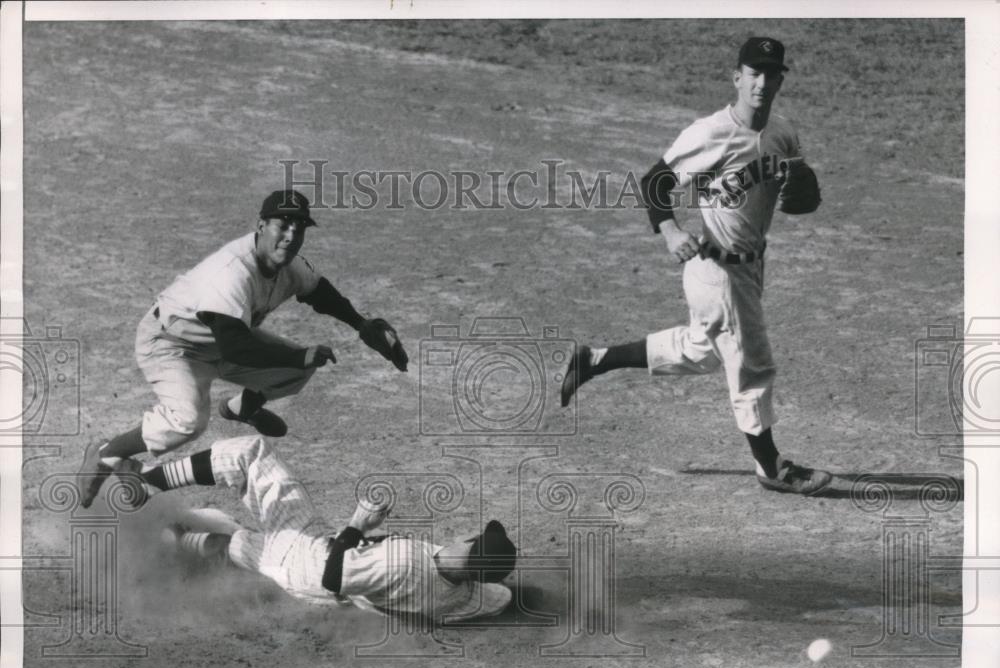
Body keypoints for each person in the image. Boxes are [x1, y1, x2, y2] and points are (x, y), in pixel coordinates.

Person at [560, 37, 831, 496]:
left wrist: (803, 191)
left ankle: (595, 360)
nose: (761, 82)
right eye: (753, 73)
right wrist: (670, 231)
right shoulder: (711, 133)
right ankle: (772, 467)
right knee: (752, 366)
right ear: (737, 78)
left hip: (748, 270)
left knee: (699, 350)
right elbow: (655, 182)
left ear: (782, 78)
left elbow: (797, 200)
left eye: (771, 74)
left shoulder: (783, 134)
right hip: (716, 270)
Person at [77, 189, 409, 508]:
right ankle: (107, 452)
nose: (291, 236)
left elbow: (319, 291)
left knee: (301, 367)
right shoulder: (232, 273)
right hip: (171, 344)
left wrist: (361, 324)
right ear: (261, 226)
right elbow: (237, 348)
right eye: (282, 226)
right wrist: (298, 354)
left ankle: (242, 408)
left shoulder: (288, 266)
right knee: (188, 422)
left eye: (299, 228)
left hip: (222, 340)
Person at [117, 435, 516, 621]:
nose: (469, 533)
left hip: (310, 559)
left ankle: (149, 482)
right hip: (306, 576)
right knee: (234, 543)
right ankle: (176, 541)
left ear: (469, 548)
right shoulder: (466, 596)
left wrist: (357, 524)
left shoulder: (404, 564)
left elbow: (334, 576)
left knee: (250, 454)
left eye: (476, 537)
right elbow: (500, 597)